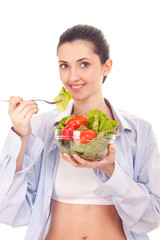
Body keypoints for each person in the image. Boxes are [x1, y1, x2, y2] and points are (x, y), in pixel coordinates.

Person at [0, 24, 160, 240]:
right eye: (64, 65)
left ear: (107, 67)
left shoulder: (138, 131)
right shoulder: (43, 128)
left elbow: (152, 219)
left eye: (84, 64)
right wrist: (20, 135)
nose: (72, 77)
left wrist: (112, 169)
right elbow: (7, 210)